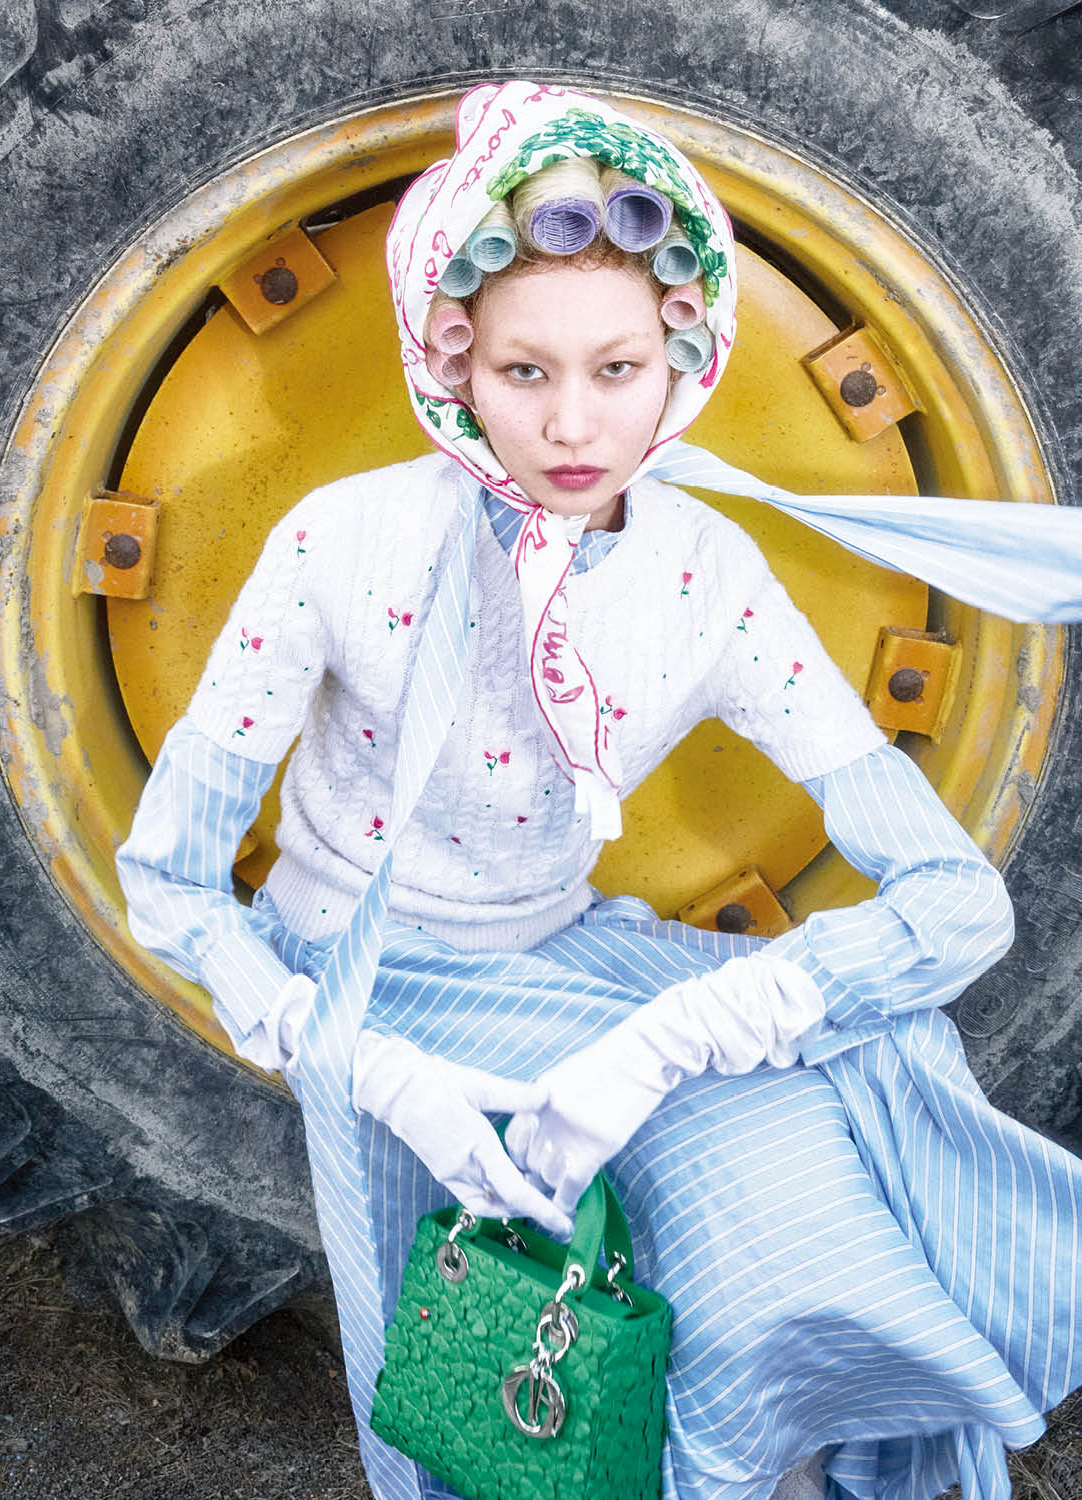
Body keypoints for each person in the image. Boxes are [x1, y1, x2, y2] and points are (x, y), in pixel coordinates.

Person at [117, 81, 1082, 1500]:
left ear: (682, 356)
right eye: (526, 372)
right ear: (453, 360)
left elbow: (958, 906)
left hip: (570, 961)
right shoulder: (342, 543)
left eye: (618, 369)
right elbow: (166, 881)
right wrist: (365, 1066)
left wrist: (686, 1032)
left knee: (799, 1206)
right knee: (503, 1375)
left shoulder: (706, 573)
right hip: (364, 980)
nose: (573, 424)